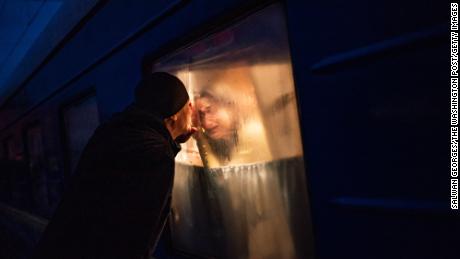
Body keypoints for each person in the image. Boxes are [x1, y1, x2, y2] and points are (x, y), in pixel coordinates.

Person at [32, 72, 196, 259]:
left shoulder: (113, 131)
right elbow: (136, 243)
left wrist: (173, 139)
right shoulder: (156, 156)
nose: (192, 109)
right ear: (173, 116)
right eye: (187, 105)